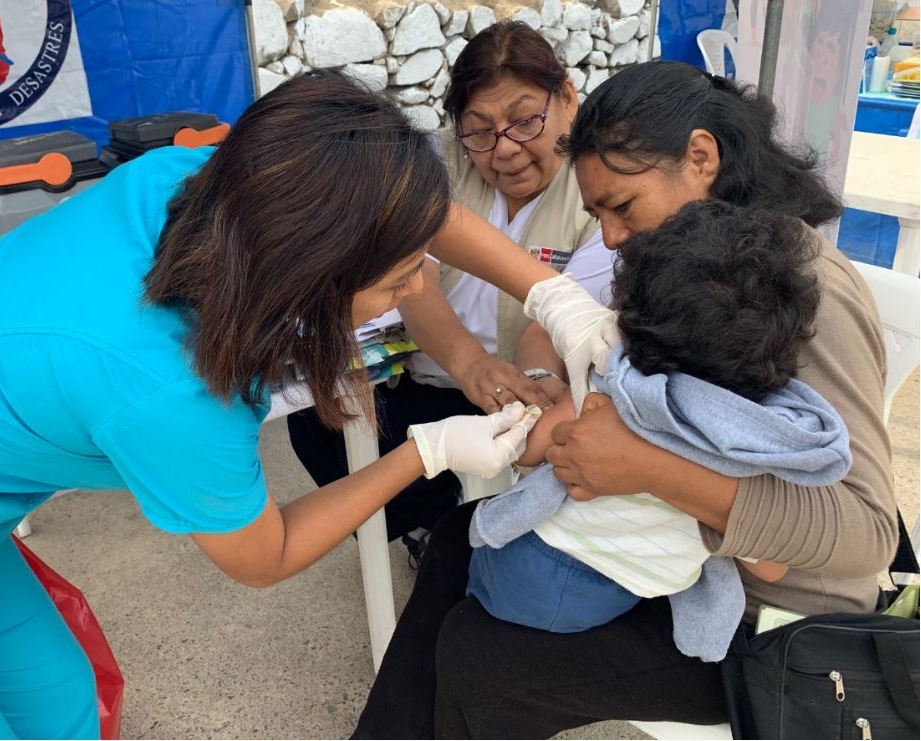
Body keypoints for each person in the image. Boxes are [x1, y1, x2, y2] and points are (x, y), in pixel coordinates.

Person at [0, 71, 540, 739]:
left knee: (61, 701)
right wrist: (427, 452)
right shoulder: (177, 390)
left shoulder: (205, 190)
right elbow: (263, 555)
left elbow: (394, 209)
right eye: (400, 279)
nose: (422, 285)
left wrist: (549, 294)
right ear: (311, 275)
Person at [353, 61, 897, 738]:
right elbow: (592, 343)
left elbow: (867, 532)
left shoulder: (799, 287)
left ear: (700, 157)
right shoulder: (677, 255)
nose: (610, 237)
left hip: (774, 621)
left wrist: (647, 467)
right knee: (458, 540)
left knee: (482, 657)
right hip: (683, 561)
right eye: (597, 214)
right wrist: (550, 376)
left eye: (622, 207)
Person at [466, 201, 852, 663]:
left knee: (476, 567)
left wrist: (545, 393)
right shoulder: (766, 436)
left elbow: (531, 450)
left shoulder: (613, 384)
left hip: (544, 571)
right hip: (644, 587)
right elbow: (771, 566)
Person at [287, 22, 614, 557]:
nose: (503, 150)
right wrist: (469, 366)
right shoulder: (438, 162)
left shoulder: (597, 187)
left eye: (525, 121)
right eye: (479, 130)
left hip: (516, 390)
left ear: (569, 99)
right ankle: (433, 521)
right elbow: (414, 281)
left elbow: (553, 321)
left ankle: (450, 525)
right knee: (315, 419)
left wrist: (526, 380)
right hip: (432, 375)